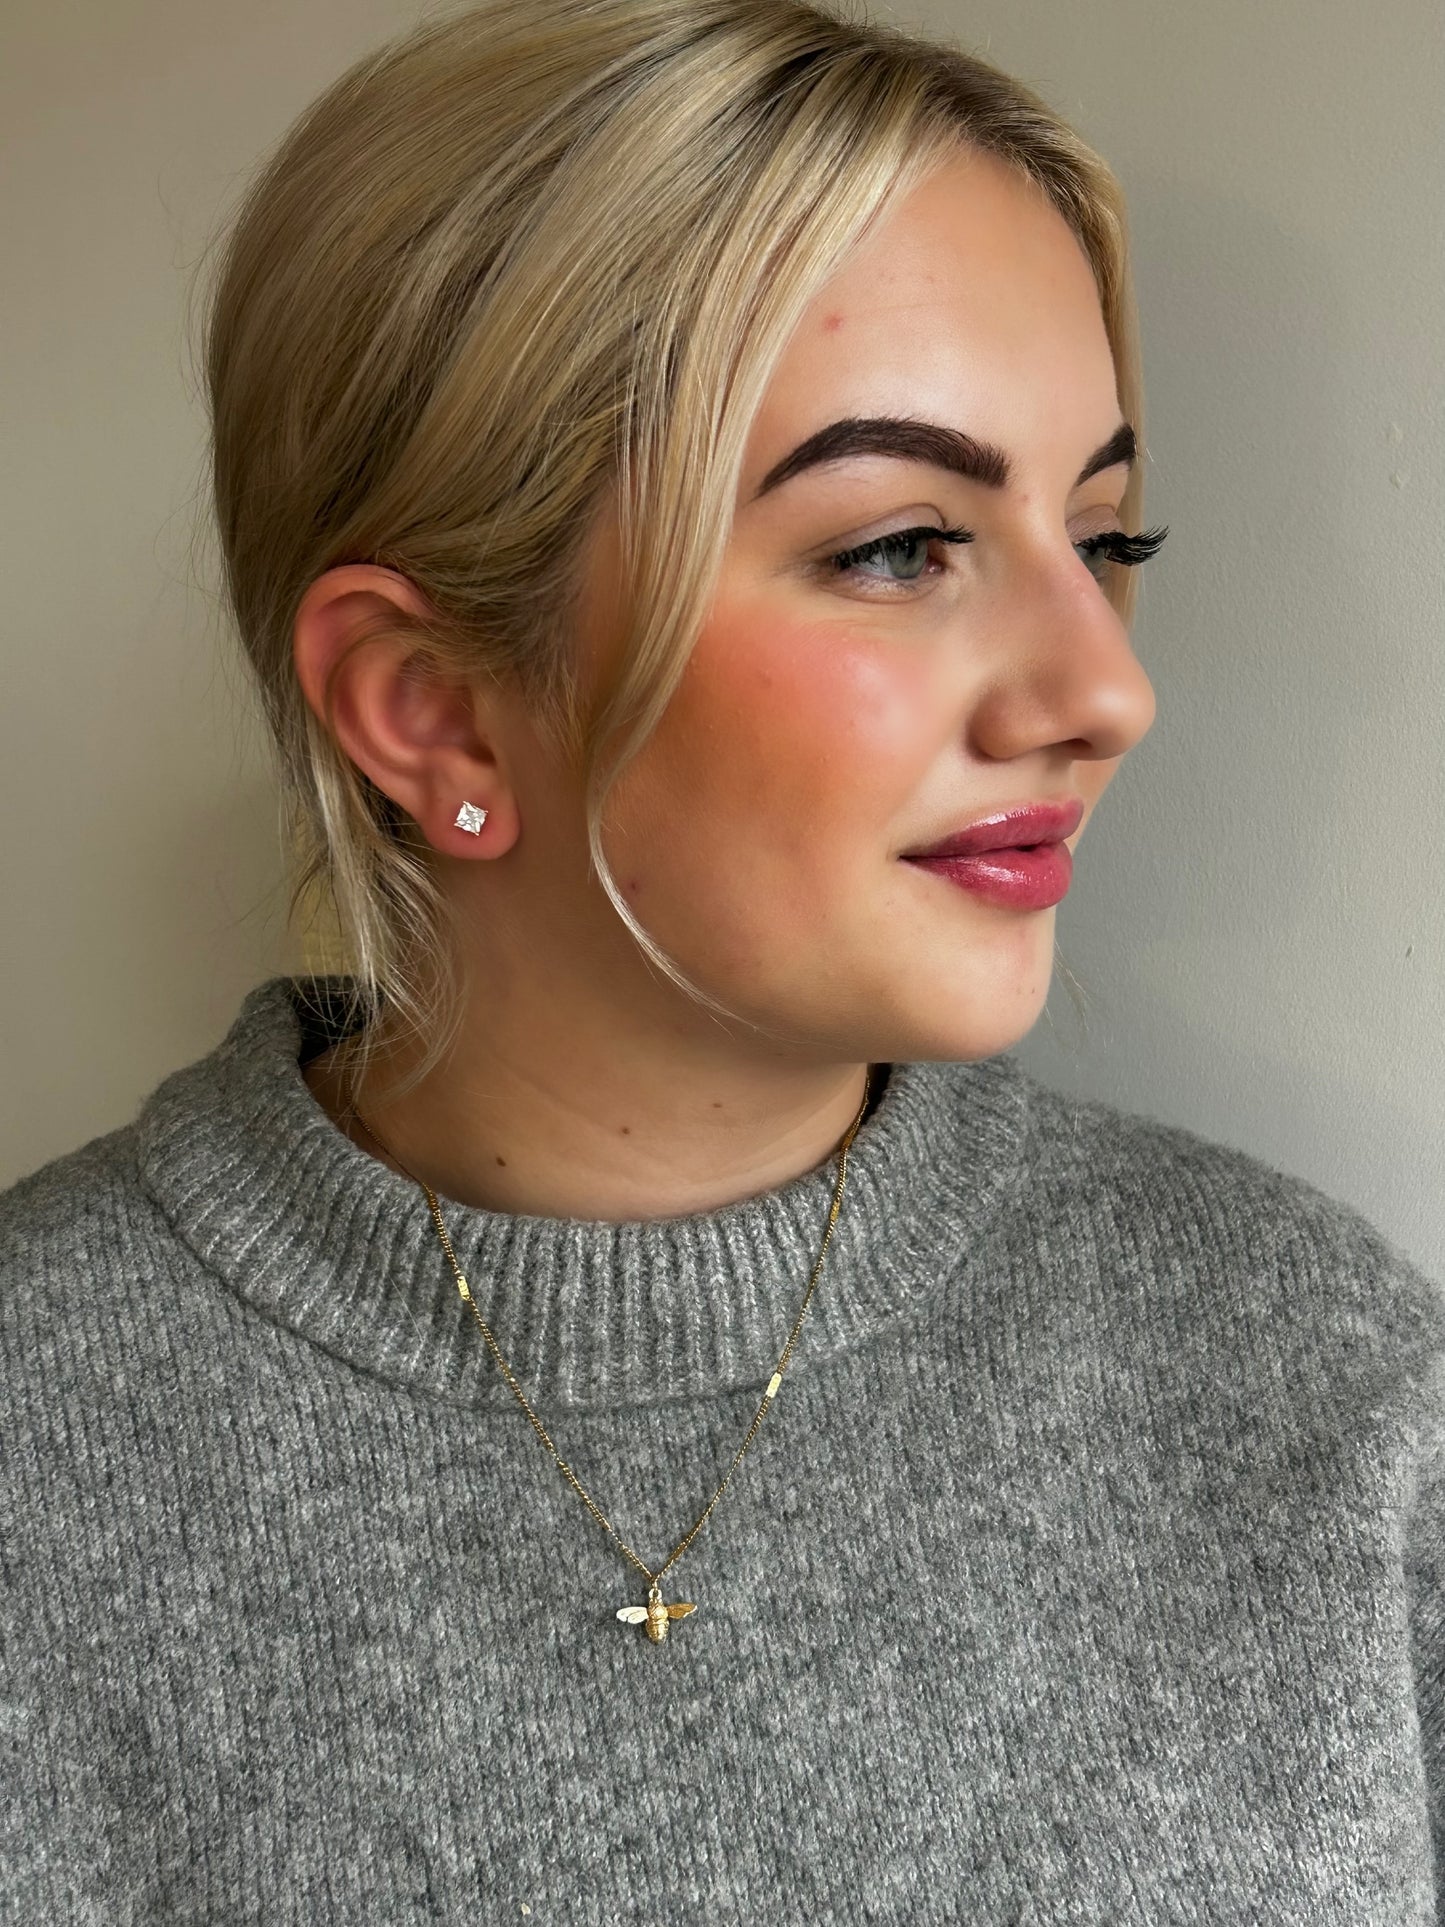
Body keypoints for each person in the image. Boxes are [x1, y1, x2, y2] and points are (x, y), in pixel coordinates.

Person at [3, 1, 1441, 1918]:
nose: (1108, 691)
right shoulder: (48, 1461)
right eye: (898, 546)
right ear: (434, 710)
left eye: (1106, 533)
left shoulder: (1317, 1383)